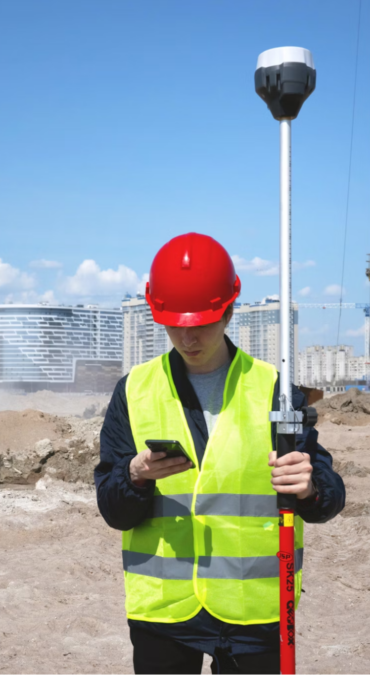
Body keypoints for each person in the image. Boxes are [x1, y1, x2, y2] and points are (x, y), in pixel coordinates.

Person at [95, 233, 345, 674]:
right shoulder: (134, 391)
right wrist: (133, 475)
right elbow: (113, 511)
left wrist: (309, 488)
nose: (188, 338)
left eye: (202, 324)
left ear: (229, 311)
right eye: (176, 325)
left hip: (256, 612)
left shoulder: (275, 390)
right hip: (165, 614)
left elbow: (328, 497)